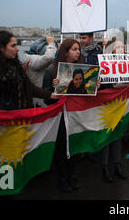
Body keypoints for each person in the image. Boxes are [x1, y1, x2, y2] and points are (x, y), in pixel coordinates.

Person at [0, 31, 56, 111]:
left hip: (16, 119)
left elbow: (28, 87)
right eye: (13, 46)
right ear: (1, 47)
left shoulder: (16, 66)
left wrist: (50, 95)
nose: (17, 49)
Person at [47, 38, 84, 192]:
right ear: (66, 51)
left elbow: (88, 94)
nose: (78, 52)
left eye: (79, 49)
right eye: (74, 49)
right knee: (61, 146)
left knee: (74, 144)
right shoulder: (52, 70)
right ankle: (62, 177)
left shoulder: (85, 70)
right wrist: (53, 88)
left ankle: (72, 174)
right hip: (61, 115)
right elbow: (45, 96)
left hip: (76, 114)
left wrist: (95, 86)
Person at [99, 38, 129, 183]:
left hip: (120, 105)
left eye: (123, 47)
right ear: (111, 50)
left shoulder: (128, 65)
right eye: (118, 48)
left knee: (117, 135)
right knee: (107, 136)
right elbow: (107, 85)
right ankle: (104, 167)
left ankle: (117, 165)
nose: (121, 50)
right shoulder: (104, 65)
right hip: (107, 105)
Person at [23, 36, 57, 107]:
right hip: (36, 102)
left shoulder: (29, 57)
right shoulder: (32, 59)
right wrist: (51, 44)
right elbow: (49, 57)